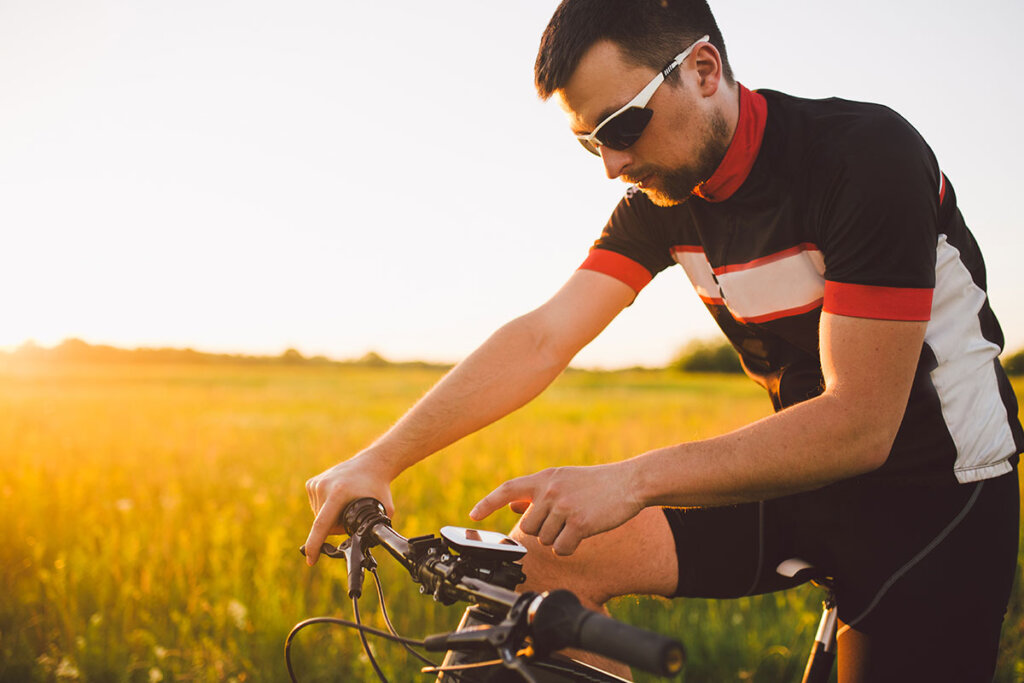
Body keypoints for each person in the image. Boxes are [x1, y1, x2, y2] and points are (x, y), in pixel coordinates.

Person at [304, 1, 1023, 680]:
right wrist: (380, 459)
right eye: (590, 141)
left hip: (936, 495)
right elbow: (543, 336)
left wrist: (631, 477)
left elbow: (862, 424)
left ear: (704, 71)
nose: (612, 165)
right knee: (545, 561)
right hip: (800, 475)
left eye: (620, 126)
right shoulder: (664, 197)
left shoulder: (863, 158)